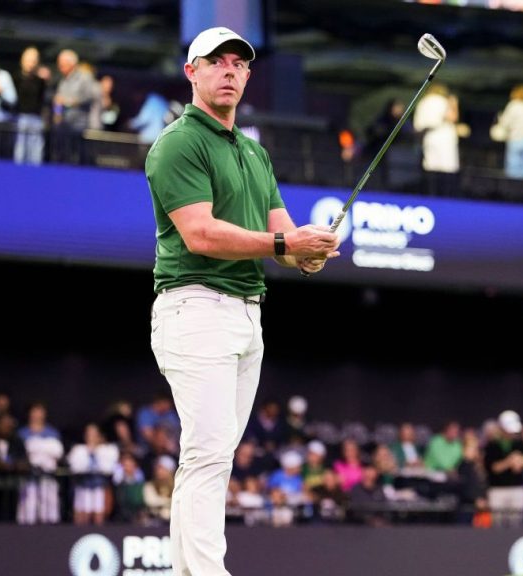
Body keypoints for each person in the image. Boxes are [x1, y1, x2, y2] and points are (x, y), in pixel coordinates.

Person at [145, 26, 340, 576]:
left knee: (213, 458)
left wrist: (309, 252)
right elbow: (201, 234)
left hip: (246, 315)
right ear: (192, 72)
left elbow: (284, 237)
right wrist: (286, 244)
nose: (229, 71)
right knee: (208, 454)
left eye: (239, 63)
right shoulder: (179, 142)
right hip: (195, 307)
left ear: (249, 75)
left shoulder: (254, 152)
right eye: (216, 62)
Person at [11, 46, 50, 165]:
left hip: (36, 118)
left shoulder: (41, 81)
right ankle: (18, 171)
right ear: (22, 61)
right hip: (20, 118)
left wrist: (47, 81)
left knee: (36, 150)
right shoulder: (15, 78)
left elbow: (46, 99)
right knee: (20, 148)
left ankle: (35, 172)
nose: (31, 64)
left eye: (34, 61)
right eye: (28, 60)